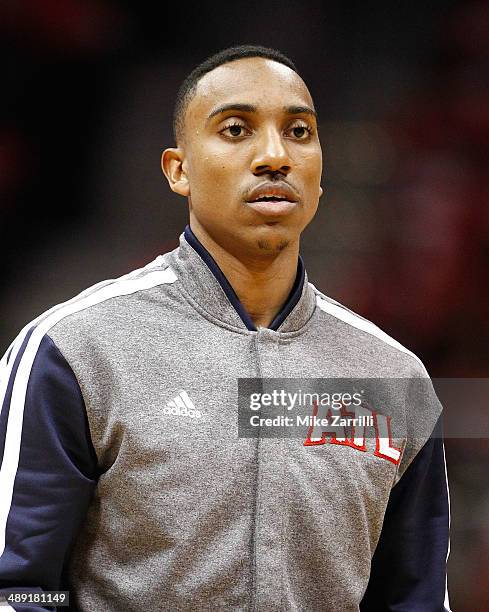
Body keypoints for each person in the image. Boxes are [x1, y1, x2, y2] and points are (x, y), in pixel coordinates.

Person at [0, 45, 451, 611]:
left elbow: (415, 599)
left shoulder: (392, 377)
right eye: (236, 129)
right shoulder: (73, 349)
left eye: (299, 132)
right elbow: (16, 588)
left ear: (319, 174)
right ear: (178, 169)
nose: (273, 155)